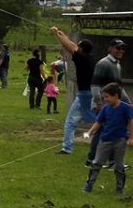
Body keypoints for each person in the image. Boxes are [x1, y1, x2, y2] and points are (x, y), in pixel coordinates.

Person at [52, 27, 98, 156]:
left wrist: (56, 34)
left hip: (85, 94)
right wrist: (62, 34)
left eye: (79, 47)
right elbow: (71, 45)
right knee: (73, 121)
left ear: (81, 49)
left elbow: (69, 46)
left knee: (96, 122)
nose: (77, 47)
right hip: (88, 93)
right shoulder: (90, 58)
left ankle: (67, 148)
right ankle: (67, 148)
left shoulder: (81, 58)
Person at [83, 83, 133, 194]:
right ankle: (89, 185)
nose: (105, 100)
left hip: (120, 141)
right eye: (104, 97)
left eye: (107, 97)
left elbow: (130, 123)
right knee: (97, 163)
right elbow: (98, 123)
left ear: (116, 95)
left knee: (119, 166)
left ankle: (120, 189)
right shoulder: (105, 109)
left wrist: (131, 137)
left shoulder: (126, 108)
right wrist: (89, 132)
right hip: (105, 140)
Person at [87, 38, 130, 166]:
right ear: (110, 48)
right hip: (103, 104)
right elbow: (95, 85)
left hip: (112, 104)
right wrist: (99, 104)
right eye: (118, 48)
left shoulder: (117, 64)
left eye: (122, 48)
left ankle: (111, 161)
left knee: (109, 131)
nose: (121, 51)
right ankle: (92, 160)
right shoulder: (103, 63)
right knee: (101, 131)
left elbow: (118, 88)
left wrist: (128, 102)